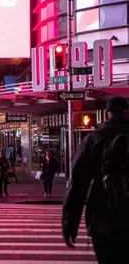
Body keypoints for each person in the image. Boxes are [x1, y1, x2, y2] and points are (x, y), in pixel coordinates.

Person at [62, 96, 129, 263]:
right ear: (126, 113)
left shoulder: (93, 139)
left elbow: (78, 185)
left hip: (102, 217)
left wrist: (69, 225)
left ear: (107, 114)